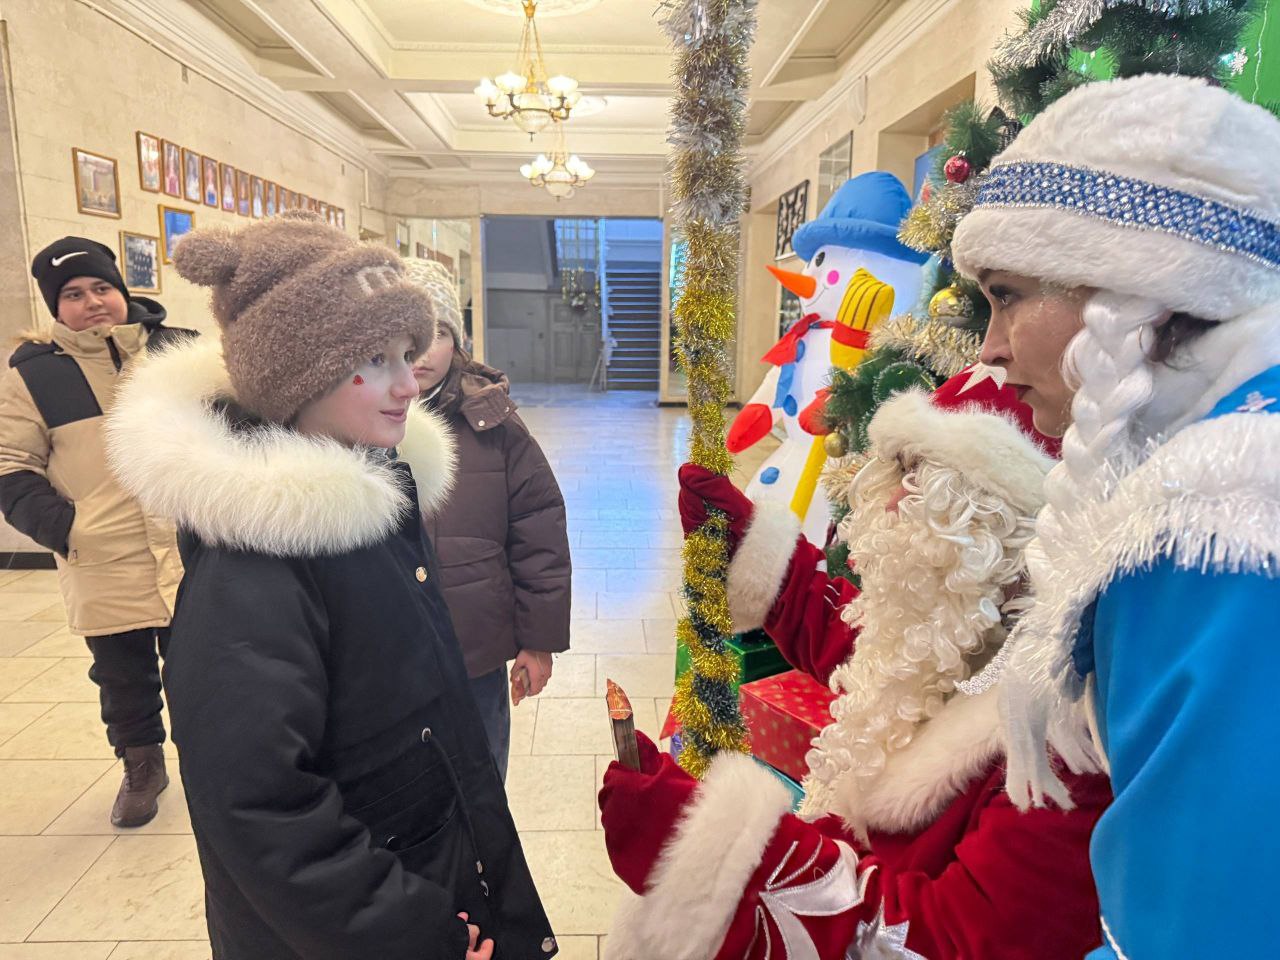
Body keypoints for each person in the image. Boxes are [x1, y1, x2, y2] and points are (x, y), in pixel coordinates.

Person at [105, 212, 556, 960]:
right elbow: (259, 807)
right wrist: (411, 929)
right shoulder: (252, 565)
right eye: (375, 359)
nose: (409, 382)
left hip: (415, 860)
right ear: (299, 373)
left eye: (407, 353)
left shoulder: (371, 507)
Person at [597, 373, 1110, 959]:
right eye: (898, 473)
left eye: (924, 481)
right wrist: (758, 552)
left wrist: (711, 851)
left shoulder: (1063, 746)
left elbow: (946, 943)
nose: (892, 503)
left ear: (1009, 523)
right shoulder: (970, 631)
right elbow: (874, 654)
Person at [947, 74, 1280, 959]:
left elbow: (1194, 929)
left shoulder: (1211, 525)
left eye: (1009, 293)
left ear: (1128, 285)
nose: (987, 350)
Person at [0, 237, 189, 827]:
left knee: (208, 665)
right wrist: (65, 529)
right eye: (74, 295)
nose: (92, 303)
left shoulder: (179, 351)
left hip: (190, 548)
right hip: (102, 553)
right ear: (56, 307)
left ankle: (219, 756)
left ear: (122, 290)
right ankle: (142, 764)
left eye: (101, 288)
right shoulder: (32, 373)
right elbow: (9, 463)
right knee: (120, 673)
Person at [404, 258, 571, 781]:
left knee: (480, 782)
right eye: (402, 334)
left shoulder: (492, 423)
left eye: (434, 333)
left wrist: (536, 640)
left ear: (456, 338)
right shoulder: (348, 424)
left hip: (473, 645)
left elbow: (539, 530)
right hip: (387, 657)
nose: (417, 351)